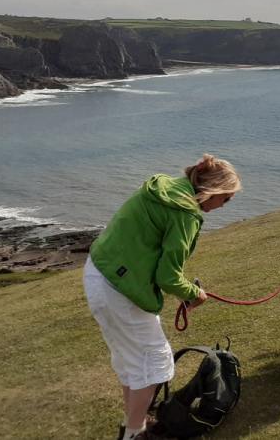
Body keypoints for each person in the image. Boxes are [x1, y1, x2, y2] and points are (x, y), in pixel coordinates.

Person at [83, 154, 241, 440]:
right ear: (212, 191)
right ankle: (134, 434)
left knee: (133, 361)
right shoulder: (185, 213)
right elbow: (167, 277)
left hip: (99, 272)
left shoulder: (166, 187)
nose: (224, 206)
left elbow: (152, 254)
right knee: (156, 363)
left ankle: (135, 424)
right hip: (120, 288)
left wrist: (183, 292)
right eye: (226, 199)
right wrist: (194, 294)